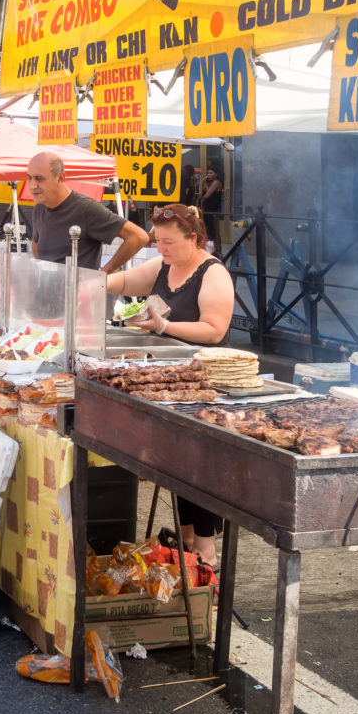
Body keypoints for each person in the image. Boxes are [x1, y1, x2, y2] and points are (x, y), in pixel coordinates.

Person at [105, 203, 235, 564]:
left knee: (200, 465)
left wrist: (163, 327)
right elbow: (129, 281)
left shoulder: (213, 273)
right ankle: (188, 542)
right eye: (158, 241)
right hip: (173, 380)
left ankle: (205, 551)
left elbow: (214, 329)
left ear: (194, 238)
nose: (161, 248)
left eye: (169, 242)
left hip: (206, 383)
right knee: (179, 461)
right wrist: (96, 282)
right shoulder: (164, 264)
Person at [27, 151, 148, 272]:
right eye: (29, 178)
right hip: (47, 290)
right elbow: (35, 244)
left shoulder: (86, 209)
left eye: (39, 179)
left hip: (78, 290)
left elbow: (138, 237)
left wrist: (103, 274)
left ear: (61, 177)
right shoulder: (40, 208)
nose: (32, 185)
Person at [199, 166, 223, 249]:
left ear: (216, 174)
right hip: (207, 209)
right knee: (208, 229)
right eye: (208, 173)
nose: (208, 175)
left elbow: (206, 196)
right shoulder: (208, 183)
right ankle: (211, 247)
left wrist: (204, 188)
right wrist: (201, 184)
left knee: (212, 230)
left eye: (211, 173)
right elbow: (200, 195)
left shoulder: (216, 182)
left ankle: (216, 248)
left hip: (212, 209)